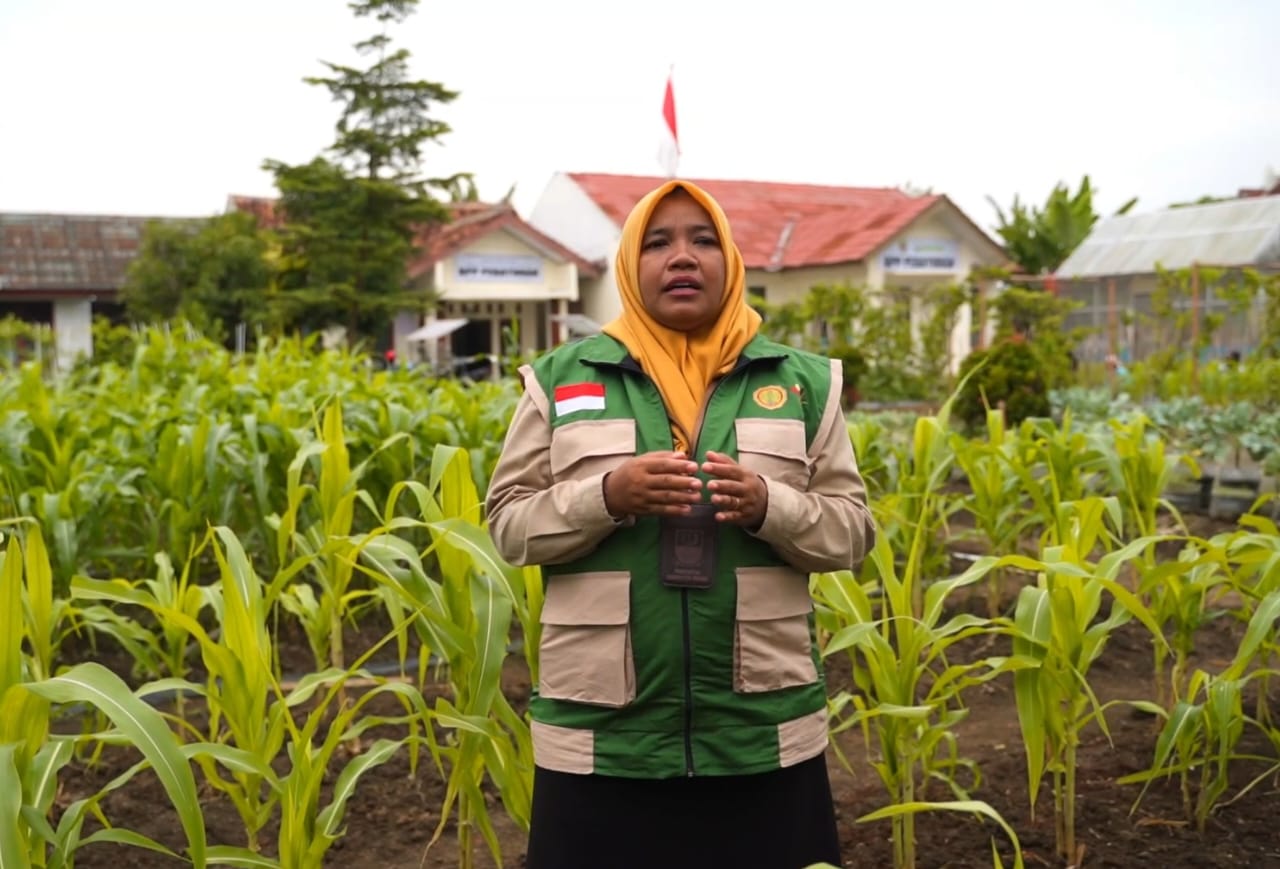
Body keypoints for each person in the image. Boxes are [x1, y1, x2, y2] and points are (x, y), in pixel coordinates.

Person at [485, 180, 876, 869]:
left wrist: (767, 504)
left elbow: (852, 532)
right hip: (601, 737)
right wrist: (606, 494)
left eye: (702, 240)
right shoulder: (559, 380)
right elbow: (509, 525)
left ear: (729, 259)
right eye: (658, 242)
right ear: (631, 265)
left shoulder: (806, 383)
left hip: (761, 732)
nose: (682, 257)